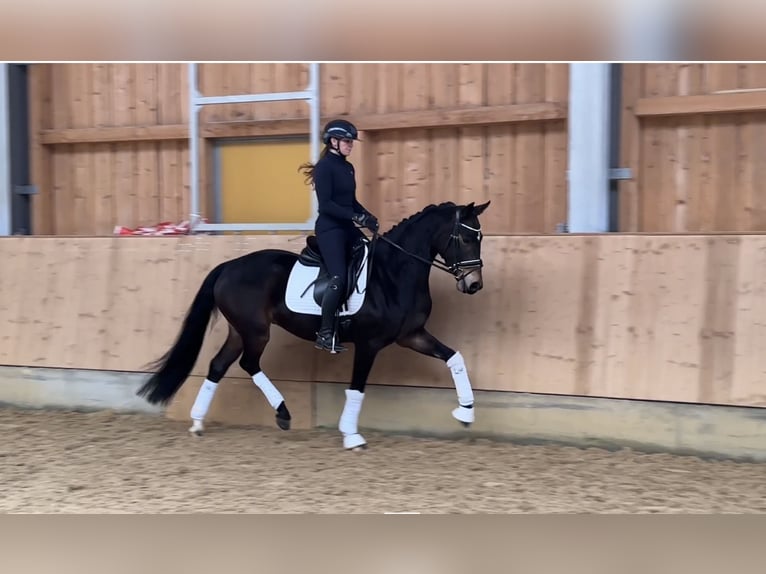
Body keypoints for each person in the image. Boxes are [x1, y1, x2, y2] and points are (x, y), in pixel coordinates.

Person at [299, 119, 379, 352]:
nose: (350, 145)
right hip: (330, 229)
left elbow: (351, 201)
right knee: (339, 277)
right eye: (346, 141)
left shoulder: (348, 167)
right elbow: (326, 205)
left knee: (371, 256)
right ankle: (325, 333)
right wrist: (355, 217)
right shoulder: (325, 167)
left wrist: (367, 216)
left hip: (347, 228)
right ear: (333, 141)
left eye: (351, 141)